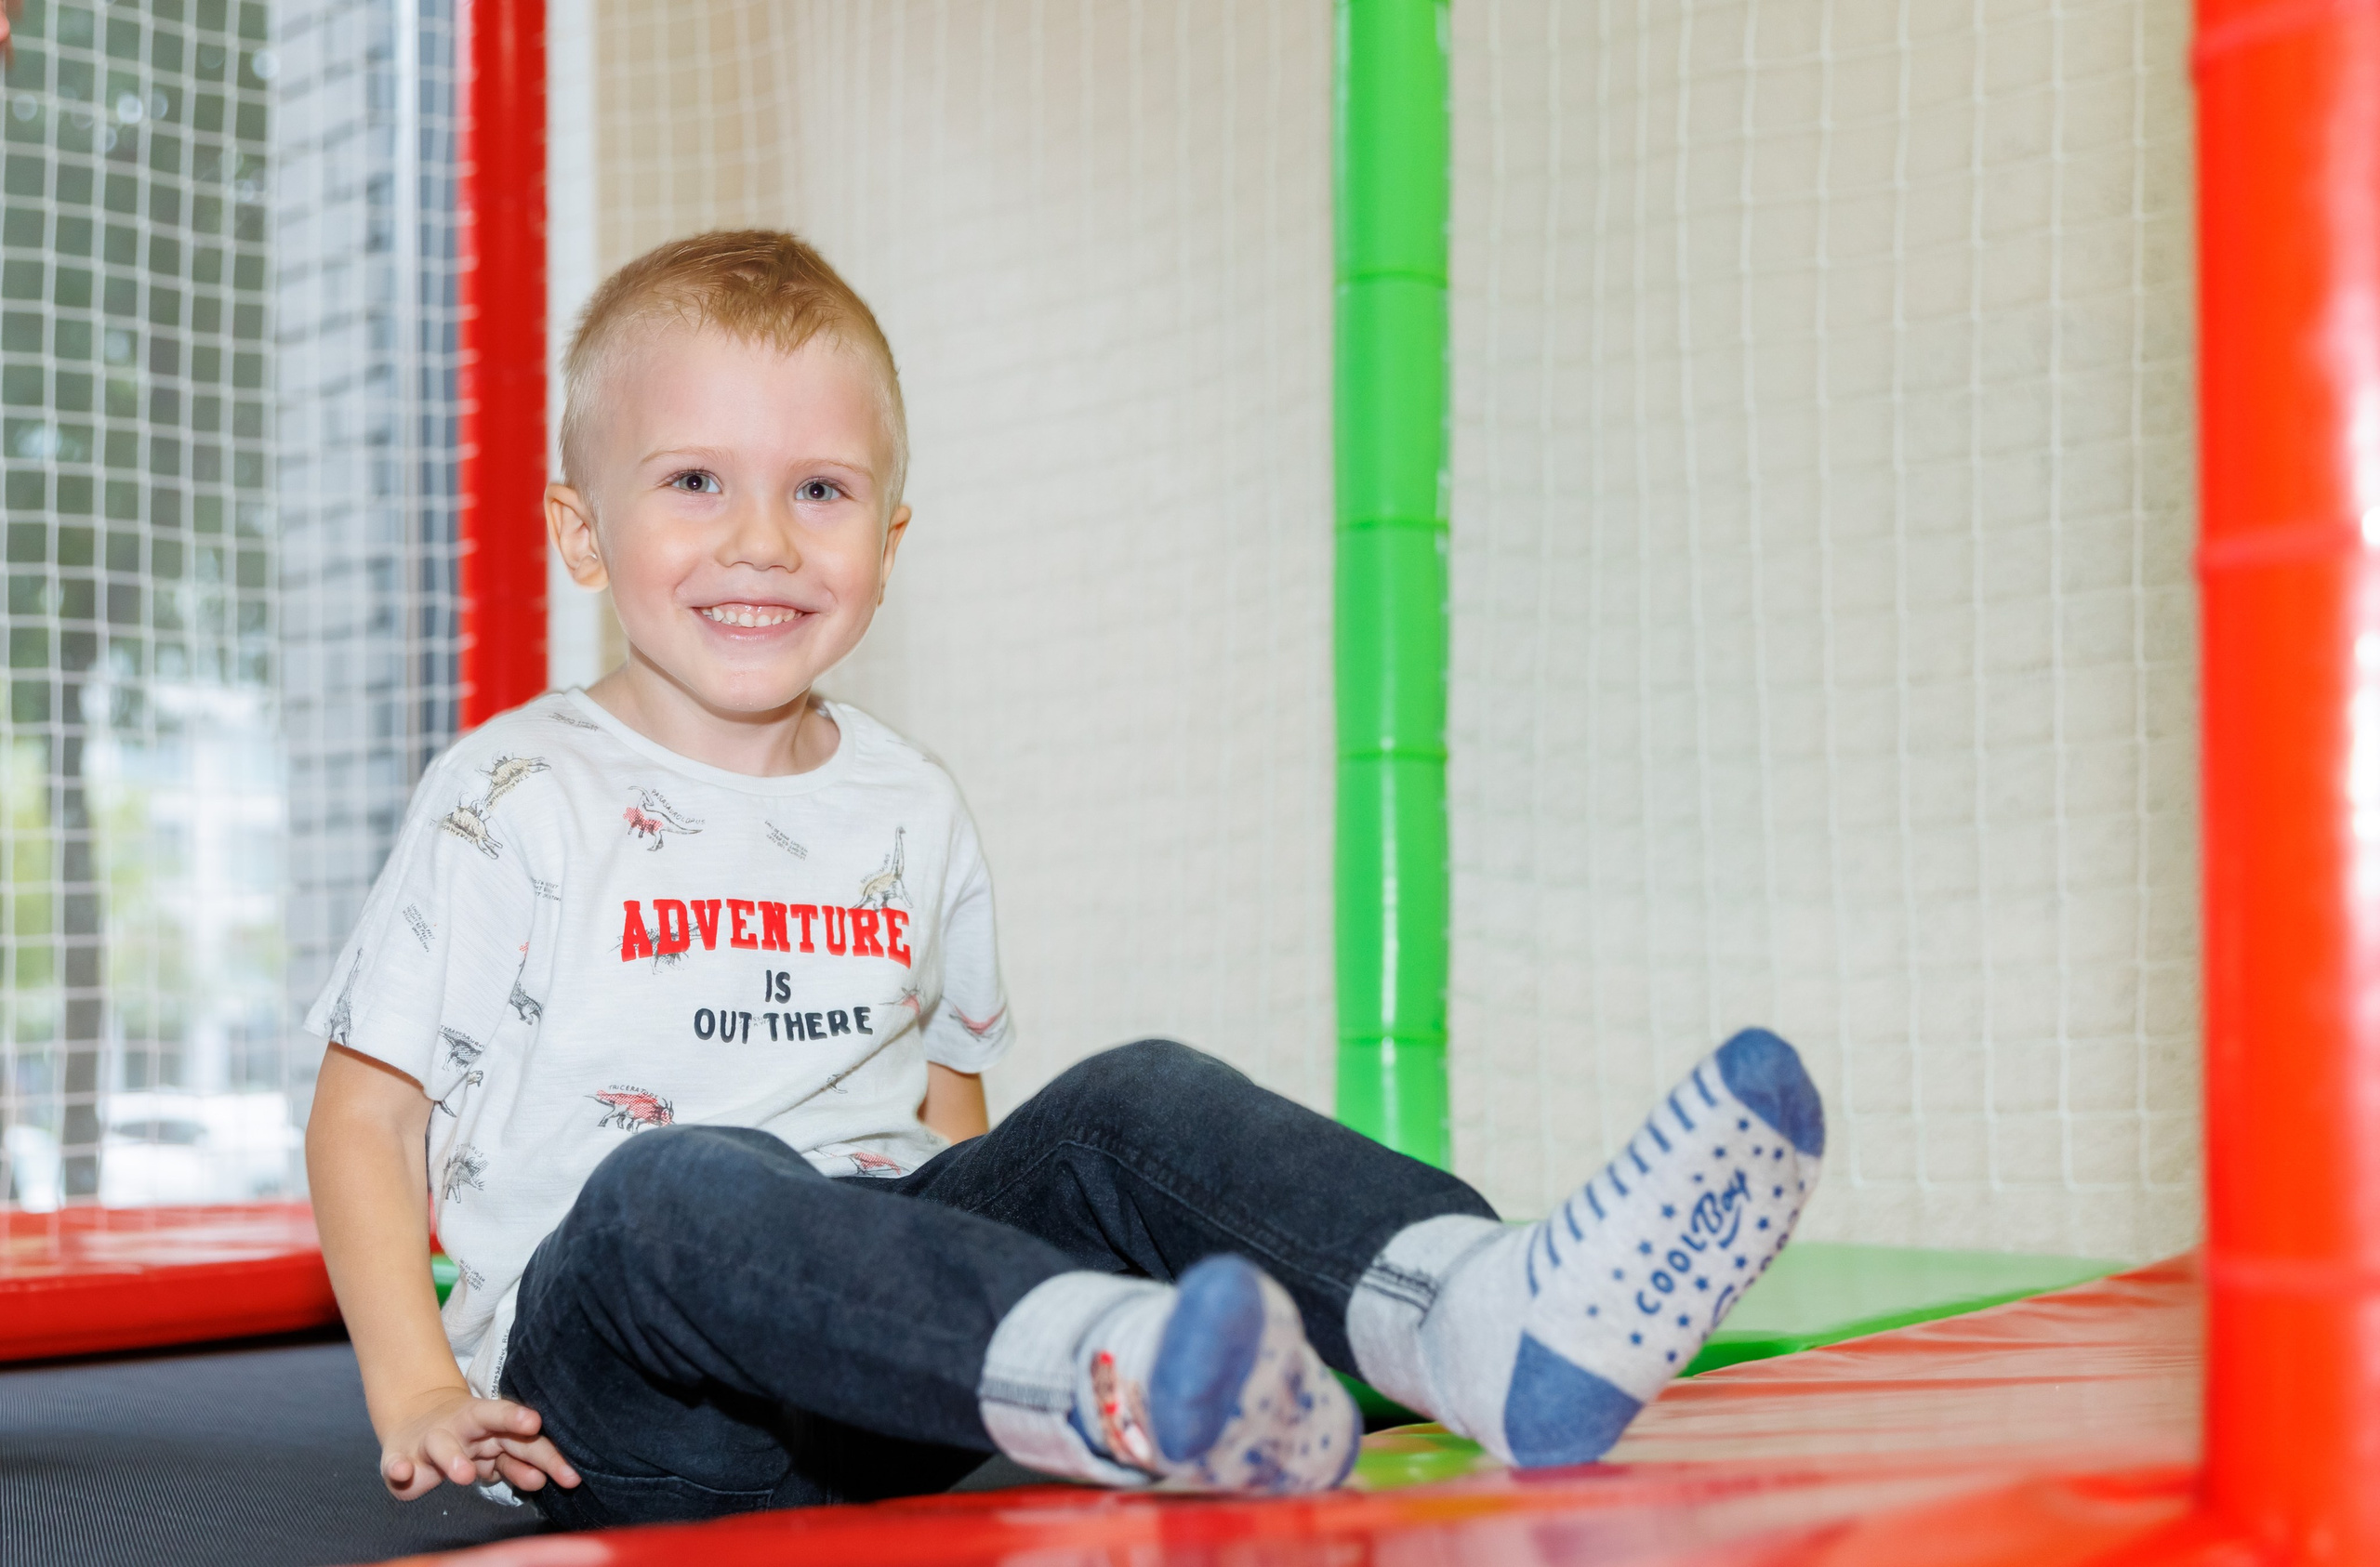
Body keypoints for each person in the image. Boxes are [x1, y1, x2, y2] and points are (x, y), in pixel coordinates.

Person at [303, 230, 1827, 1531]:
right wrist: (418, 1382)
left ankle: (1477, 1313)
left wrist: (1002, 1220)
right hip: (628, 1403)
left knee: (1127, 1098)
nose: (761, 539)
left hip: (898, 1384)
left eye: (821, 491)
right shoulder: (517, 795)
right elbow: (365, 1115)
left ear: (890, 544)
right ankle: (1130, 1376)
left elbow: (956, 1118)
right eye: (696, 479)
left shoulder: (911, 801)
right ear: (583, 530)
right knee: (680, 1182)